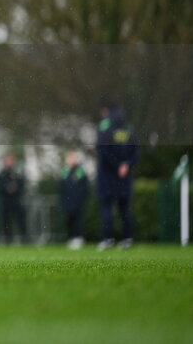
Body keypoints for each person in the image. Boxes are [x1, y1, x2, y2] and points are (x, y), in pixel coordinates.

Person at [95, 100, 139, 250]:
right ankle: (127, 238)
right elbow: (136, 151)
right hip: (124, 176)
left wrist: (116, 164)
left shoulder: (104, 127)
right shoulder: (129, 129)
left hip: (107, 175)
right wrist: (126, 164)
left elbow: (102, 151)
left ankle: (108, 239)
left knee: (107, 207)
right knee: (124, 208)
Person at [0, 152, 27, 243]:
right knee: (6, 221)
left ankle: (25, 238)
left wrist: (16, 187)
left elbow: (22, 184)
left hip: (16, 200)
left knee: (21, 220)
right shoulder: (1, 174)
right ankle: (8, 239)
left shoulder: (17, 173)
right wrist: (6, 188)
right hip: (5, 201)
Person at [59, 150, 89, 250]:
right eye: (69, 158)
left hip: (77, 200)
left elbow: (84, 186)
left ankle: (79, 238)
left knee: (78, 219)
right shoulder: (64, 172)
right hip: (67, 201)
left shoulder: (80, 171)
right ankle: (71, 238)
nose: (71, 160)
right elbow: (61, 188)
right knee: (69, 220)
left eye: (72, 158)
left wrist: (81, 197)